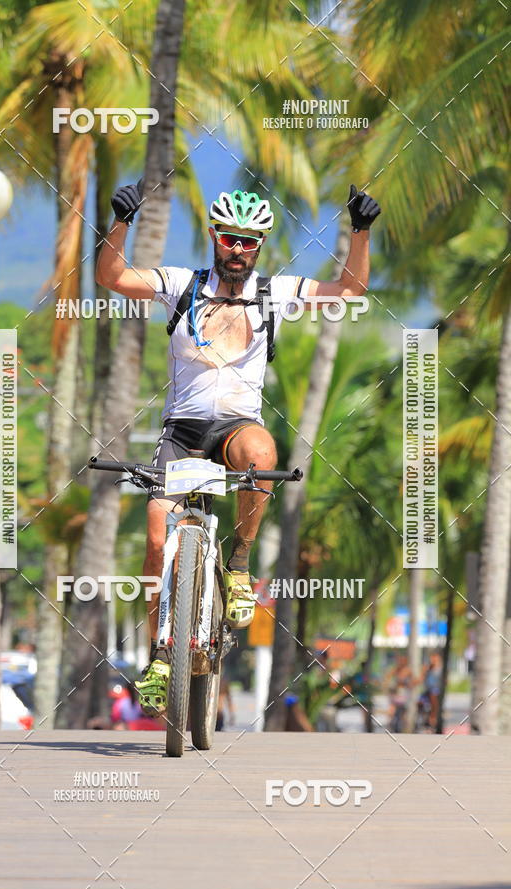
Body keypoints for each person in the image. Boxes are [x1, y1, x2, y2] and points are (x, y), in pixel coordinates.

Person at [96, 182, 381, 716]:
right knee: (157, 537)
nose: (238, 250)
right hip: (182, 432)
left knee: (262, 453)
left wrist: (360, 231)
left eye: (249, 242)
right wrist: (121, 223)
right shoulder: (182, 284)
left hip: (235, 428)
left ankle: (240, 563)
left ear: (260, 245)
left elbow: (349, 289)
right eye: (230, 238)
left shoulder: (276, 292)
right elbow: (111, 278)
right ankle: (160, 655)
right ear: (214, 237)